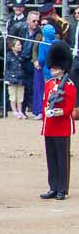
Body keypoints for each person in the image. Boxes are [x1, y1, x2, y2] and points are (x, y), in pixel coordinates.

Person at [41, 42, 73, 200]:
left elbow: (68, 109)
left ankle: (62, 188)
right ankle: (53, 186)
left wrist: (57, 112)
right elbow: (44, 103)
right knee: (51, 159)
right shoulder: (49, 84)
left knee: (62, 159)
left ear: (62, 67)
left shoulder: (69, 85)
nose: (52, 68)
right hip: (50, 126)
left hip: (61, 126)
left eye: (55, 66)